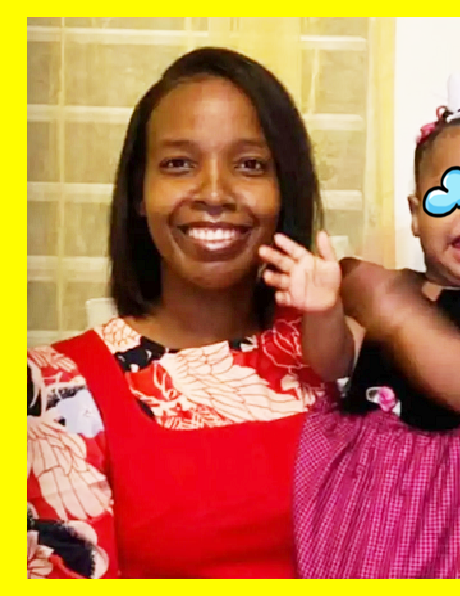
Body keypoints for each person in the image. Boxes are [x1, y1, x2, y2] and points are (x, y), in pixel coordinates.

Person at [27, 47, 338, 579]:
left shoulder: (338, 351)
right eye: (178, 164)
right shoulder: (56, 387)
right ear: (138, 194)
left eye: (250, 164)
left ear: (285, 190)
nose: (214, 193)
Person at [262, 76, 460, 578]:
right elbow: (333, 361)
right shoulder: (391, 291)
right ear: (415, 214)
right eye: (451, 194)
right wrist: (323, 310)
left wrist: (389, 305)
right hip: (372, 504)